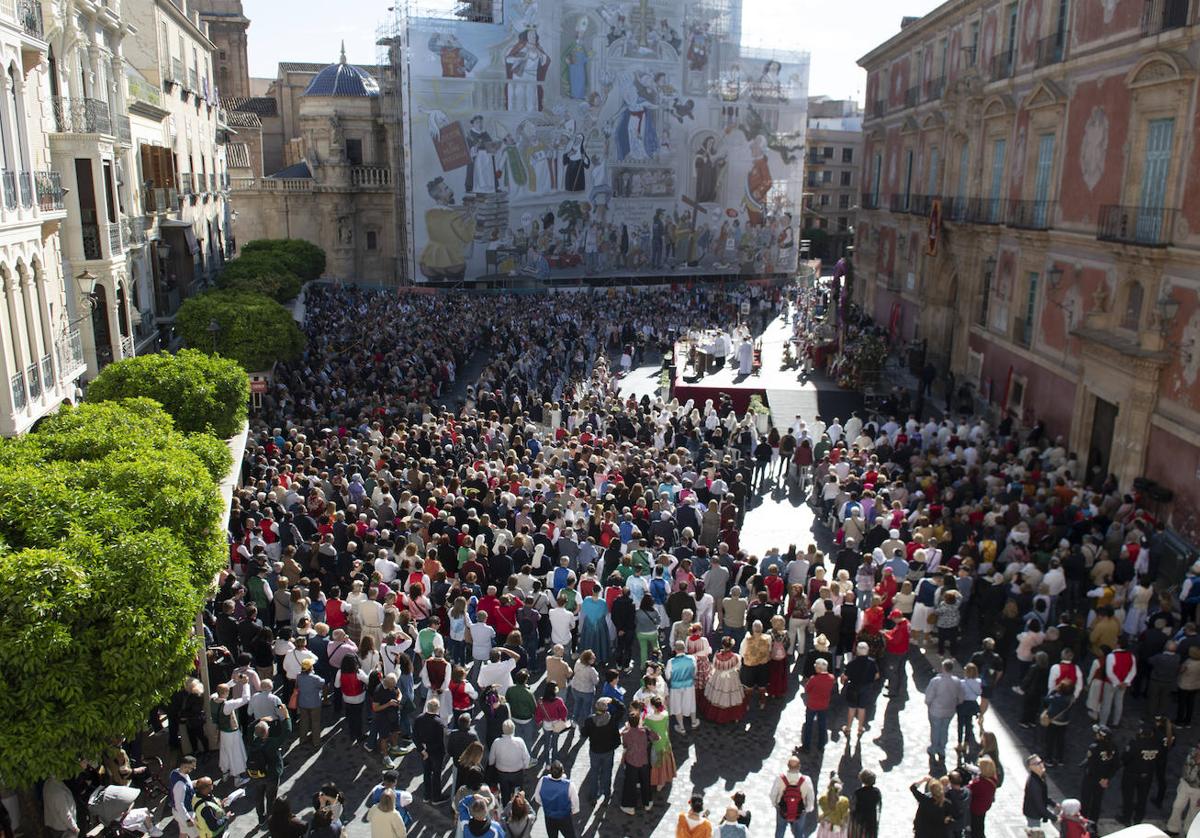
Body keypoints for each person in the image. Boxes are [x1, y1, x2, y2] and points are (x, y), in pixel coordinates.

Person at [247, 715, 290, 824]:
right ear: (266, 732)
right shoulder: (272, 743)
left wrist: (259, 720)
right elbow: (287, 731)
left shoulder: (252, 742)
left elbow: (249, 728)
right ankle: (270, 818)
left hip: (256, 775)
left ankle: (261, 817)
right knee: (271, 798)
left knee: (259, 796)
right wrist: (286, 717)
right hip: (271, 775)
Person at [581, 697, 623, 800]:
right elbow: (622, 709)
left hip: (595, 750)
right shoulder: (612, 719)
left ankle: (593, 795)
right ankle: (607, 793)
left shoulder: (590, 720)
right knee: (607, 772)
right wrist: (613, 700)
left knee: (594, 773)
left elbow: (584, 733)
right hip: (608, 750)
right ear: (606, 708)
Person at [620, 711, 658, 815]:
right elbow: (657, 737)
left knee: (630, 784)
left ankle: (629, 806)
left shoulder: (625, 733)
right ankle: (647, 802)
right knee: (645, 782)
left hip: (631, 761)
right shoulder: (645, 731)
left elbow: (625, 745)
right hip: (644, 760)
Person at [840, 642, 878, 740]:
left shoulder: (851, 664)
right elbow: (877, 675)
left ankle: (848, 728)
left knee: (851, 709)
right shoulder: (872, 663)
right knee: (862, 709)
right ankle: (860, 728)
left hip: (853, 688)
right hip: (866, 688)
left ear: (857, 651)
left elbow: (845, 677)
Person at [924, 659, 960, 764]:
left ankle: (933, 747)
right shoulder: (957, 681)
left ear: (943, 668)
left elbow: (928, 697)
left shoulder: (936, 681)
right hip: (949, 711)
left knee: (935, 729)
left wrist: (929, 704)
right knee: (944, 729)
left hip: (936, 710)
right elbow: (960, 697)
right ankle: (942, 749)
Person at [413, 698, 448, 803]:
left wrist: (422, 750)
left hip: (424, 752)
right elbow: (441, 741)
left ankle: (426, 796)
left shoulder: (418, 719)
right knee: (436, 774)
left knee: (426, 773)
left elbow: (415, 736)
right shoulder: (439, 722)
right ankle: (436, 798)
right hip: (436, 752)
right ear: (437, 709)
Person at [489, 719, 531, 805]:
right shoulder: (520, 741)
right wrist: (525, 767)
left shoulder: (497, 742)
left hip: (502, 774)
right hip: (517, 773)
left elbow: (491, 760)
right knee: (518, 795)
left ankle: (506, 813)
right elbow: (527, 757)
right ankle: (518, 811)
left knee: (505, 795)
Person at [533, 761, 579, 838]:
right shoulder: (569, 785)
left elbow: (537, 798)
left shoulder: (543, 780)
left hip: (549, 817)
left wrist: (546, 805)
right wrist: (571, 811)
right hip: (564, 817)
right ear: (562, 772)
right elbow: (575, 805)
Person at [770, 756, 813, 838]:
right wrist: (807, 809)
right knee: (799, 832)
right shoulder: (806, 780)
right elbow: (810, 798)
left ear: (788, 765)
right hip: (800, 810)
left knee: (780, 830)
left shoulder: (780, 778)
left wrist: (775, 805)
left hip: (782, 809)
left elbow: (773, 794)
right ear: (799, 766)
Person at [666, 639, 700, 734]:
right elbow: (695, 672)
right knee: (691, 703)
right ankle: (693, 722)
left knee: (677, 706)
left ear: (675, 650)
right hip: (689, 685)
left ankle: (681, 727)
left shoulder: (671, 662)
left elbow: (668, 676)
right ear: (684, 648)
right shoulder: (692, 659)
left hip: (676, 687)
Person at [1167, 740, 1200, 835]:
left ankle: (1188, 831)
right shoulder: (1192, 752)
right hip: (1185, 784)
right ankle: (1173, 829)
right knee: (1177, 806)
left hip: (1198, 790)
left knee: (1193, 812)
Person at [645, 695, 677, 790]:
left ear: (653, 706)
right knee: (665, 762)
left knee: (656, 763)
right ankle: (662, 782)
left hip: (655, 743)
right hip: (665, 740)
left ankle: (657, 781)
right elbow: (666, 727)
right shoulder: (666, 714)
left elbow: (646, 729)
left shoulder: (648, 718)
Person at [967, 757, 999, 838]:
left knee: (975, 828)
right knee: (980, 824)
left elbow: (967, 788)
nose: (978, 768)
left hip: (976, 808)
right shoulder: (993, 778)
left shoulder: (980, 784)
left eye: (980, 766)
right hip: (984, 806)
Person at [1023, 754, 1056, 830]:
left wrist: (1053, 804)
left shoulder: (1041, 775)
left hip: (1035, 812)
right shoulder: (1034, 784)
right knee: (1035, 833)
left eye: (1041, 762)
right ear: (1030, 767)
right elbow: (1039, 805)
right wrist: (1054, 818)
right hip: (1033, 814)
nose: (1041, 765)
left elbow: (1043, 796)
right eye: (1037, 764)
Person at [169, 756, 199, 838]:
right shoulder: (180, 784)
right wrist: (188, 819)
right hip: (184, 814)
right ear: (185, 766)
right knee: (196, 835)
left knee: (183, 833)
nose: (193, 769)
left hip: (178, 813)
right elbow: (179, 804)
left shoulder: (175, 772)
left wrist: (195, 783)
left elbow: (187, 786)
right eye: (192, 768)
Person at [848, 770, 880, 838]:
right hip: (871, 818)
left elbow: (852, 806)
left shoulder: (858, 792)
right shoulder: (876, 792)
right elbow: (878, 805)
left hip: (859, 819)